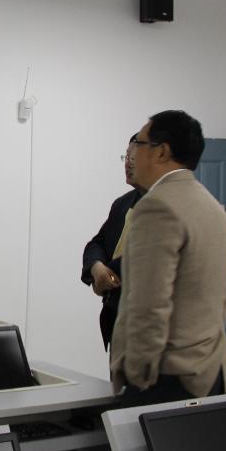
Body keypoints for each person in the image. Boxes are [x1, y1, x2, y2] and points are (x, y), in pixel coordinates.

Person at [110, 110, 226, 407]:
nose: (132, 154)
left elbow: (149, 304)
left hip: (168, 375)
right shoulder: (211, 205)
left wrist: (138, 377)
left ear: (161, 151)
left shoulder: (158, 206)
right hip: (210, 369)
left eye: (139, 143)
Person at [81, 135, 144, 350]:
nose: (128, 164)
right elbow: (96, 244)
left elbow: (145, 258)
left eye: (133, 158)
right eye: (126, 157)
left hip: (145, 322)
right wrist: (97, 268)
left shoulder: (164, 207)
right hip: (116, 317)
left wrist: (107, 273)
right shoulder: (122, 203)